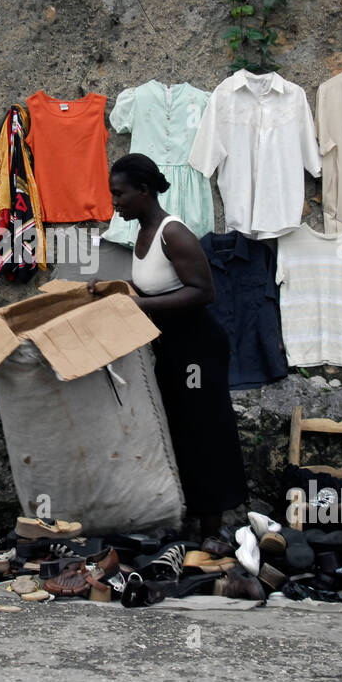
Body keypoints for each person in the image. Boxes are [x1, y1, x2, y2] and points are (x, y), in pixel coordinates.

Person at [91, 153, 248, 539]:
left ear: (144, 191)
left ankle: (212, 529)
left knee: (203, 430)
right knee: (177, 427)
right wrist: (112, 292)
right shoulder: (141, 232)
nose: (115, 202)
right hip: (172, 346)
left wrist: (138, 304)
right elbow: (152, 288)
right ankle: (186, 519)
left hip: (198, 349)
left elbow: (203, 292)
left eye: (120, 194)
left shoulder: (172, 233)